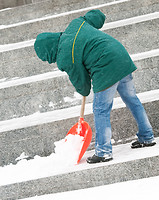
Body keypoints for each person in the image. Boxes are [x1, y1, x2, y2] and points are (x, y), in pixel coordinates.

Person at [34, 9, 156, 164]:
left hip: (105, 67)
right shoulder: (75, 24)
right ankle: (147, 136)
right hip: (121, 57)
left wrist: (83, 90)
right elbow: (96, 17)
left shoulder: (65, 55)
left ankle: (104, 151)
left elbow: (81, 81)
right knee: (132, 99)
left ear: (49, 51)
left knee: (100, 110)